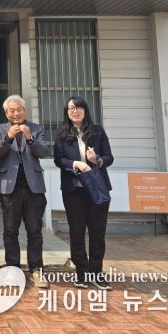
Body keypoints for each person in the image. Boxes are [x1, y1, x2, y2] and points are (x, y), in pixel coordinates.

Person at [54, 96, 114, 290]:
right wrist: (75, 164)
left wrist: (97, 160)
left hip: (96, 189)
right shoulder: (62, 132)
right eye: (71, 108)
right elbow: (58, 159)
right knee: (76, 233)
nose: (75, 111)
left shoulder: (97, 131)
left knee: (97, 232)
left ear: (85, 110)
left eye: (78, 107)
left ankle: (97, 272)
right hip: (74, 190)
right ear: (67, 112)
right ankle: (82, 272)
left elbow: (109, 157)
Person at [0, 95, 49, 289]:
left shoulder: (36, 128)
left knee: (34, 230)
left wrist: (30, 138)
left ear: (24, 111)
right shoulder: (0, 129)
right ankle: (12, 269)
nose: (16, 113)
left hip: (33, 187)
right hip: (10, 187)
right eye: (12, 110)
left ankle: (36, 269)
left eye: (19, 109)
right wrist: (8, 137)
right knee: (10, 230)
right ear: (6, 113)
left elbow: (43, 152)